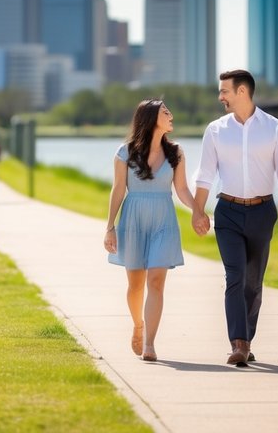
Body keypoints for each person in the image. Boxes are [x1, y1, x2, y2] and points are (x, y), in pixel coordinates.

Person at [191, 69, 278, 367]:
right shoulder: (215, 130)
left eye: (224, 90)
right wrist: (198, 211)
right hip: (228, 212)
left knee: (254, 282)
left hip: (263, 212)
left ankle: (247, 340)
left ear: (241, 92)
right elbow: (205, 175)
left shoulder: (275, 129)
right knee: (234, 276)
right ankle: (238, 343)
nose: (220, 96)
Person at [104, 99, 197, 363]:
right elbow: (118, 190)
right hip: (133, 220)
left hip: (163, 221)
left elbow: (181, 189)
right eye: (165, 112)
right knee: (135, 285)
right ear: (150, 118)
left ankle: (150, 343)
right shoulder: (124, 152)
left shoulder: (176, 152)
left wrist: (198, 210)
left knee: (156, 282)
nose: (171, 115)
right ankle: (138, 325)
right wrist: (110, 227)